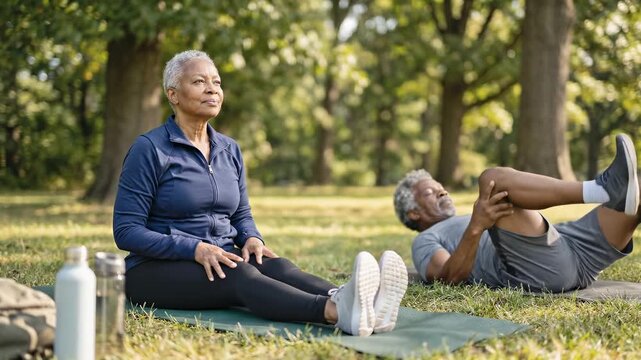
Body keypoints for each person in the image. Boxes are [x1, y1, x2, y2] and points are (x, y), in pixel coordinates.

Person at [113, 50, 408, 336]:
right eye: (199, 82)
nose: (212, 90)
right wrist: (194, 249)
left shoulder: (229, 149)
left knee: (277, 266)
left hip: (221, 253)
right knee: (240, 276)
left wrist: (252, 237)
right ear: (172, 94)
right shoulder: (150, 149)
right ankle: (336, 312)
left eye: (216, 82)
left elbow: (241, 212)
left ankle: (364, 302)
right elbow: (126, 231)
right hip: (153, 270)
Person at [394, 134, 640, 292]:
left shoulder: (469, 216)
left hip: (571, 246)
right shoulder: (425, 240)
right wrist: (477, 226)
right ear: (414, 213)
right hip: (540, 269)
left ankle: (612, 191)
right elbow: (445, 280)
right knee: (493, 181)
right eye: (430, 192)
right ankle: (602, 190)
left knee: (636, 191)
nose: (443, 192)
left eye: (441, 187)